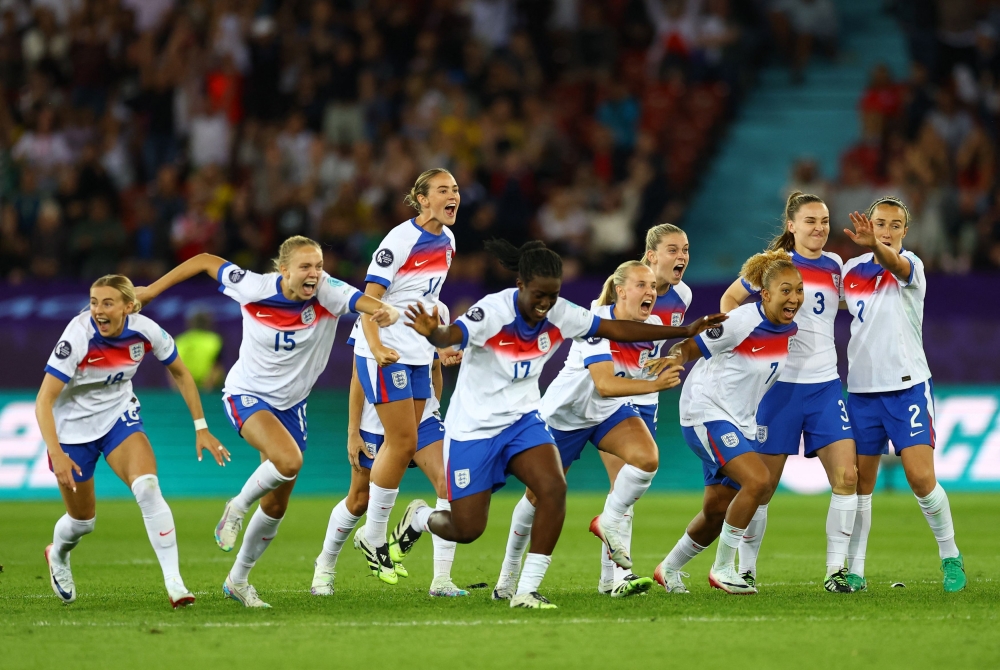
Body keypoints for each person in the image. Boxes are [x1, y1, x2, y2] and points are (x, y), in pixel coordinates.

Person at [386, 239, 724, 609]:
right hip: (480, 426)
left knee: (554, 488)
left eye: (553, 295)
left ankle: (527, 590)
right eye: (539, 295)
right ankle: (420, 518)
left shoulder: (564, 312)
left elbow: (619, 330)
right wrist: (434, 334)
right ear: (520, 287)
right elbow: (453, 336)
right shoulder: (492, 310)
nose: (546, 304)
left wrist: (686, 331)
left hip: (527, 420)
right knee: (468, 528)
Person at [135, 236, 398, 608]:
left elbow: (363, 302)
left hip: (293, 408)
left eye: (319, 266)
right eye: (305, 267)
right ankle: (237, 507)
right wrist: (152, 290)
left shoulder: (328, 293)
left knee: (276, 506)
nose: (315, 274)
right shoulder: (254, 287)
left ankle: (238, 580)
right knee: (289, 461)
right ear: (284, 270)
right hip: (247, 395)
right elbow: (206, 260)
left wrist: (384, 310)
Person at [492, 261, 681, 600]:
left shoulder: (652, 325)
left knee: (646, 458)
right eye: (642, 285)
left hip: (607, 413)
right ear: (621, 290)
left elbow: (623, 380)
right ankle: (507, 578)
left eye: (653, 286)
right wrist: (653, 383)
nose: (651, 292)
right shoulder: (594, 321)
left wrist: (664, 362)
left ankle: (611, 543)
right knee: (535, 499)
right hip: (565, 416)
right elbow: (605, 383)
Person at [37, 275, 229, 608]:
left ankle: (175, 583)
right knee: (83, 522)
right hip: (71, 432)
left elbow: (181, 373)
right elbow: (43, 400)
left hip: (118, 419)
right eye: (94, 302)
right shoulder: (77, 337)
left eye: (107, 303)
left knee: (148, 488)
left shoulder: (145, 331)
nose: (97, 310)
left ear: (128, 307)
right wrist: (56, 452)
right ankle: (58, 553)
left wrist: (201, 426)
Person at [719, 192, 858, 593]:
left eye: (825, 221)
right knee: (762, 486)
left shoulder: (835, 266)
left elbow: (847, 306)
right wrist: (742, 340)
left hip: (825, 386)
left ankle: (836, 572)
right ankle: (745, 569)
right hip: (777, 388)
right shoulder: (773, 267)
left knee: (847, 476)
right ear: (792, 226)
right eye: (810, 220)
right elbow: (731, 298)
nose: (819, 228)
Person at [652, 249, 801, 595]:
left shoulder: (788, 327)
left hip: (738, 421)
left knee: (717, 511)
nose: (794, 298)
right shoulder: (743, 321)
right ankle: (723, 569)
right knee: (759, 480)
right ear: (765, 294)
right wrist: (674, 357)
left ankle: (668, 569)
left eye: (798, 290)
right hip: (706, 411)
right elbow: (691, 346)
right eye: (785, 290)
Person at [841, 197, 966, 592]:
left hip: (907, 387)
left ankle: (951, 558)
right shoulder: (851, 271)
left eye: (895, 225)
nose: (887, 230)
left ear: (905, 232)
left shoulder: (911, 266)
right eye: (881, 223)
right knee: (861, 483)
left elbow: (895, 263)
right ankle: (855, 570)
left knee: (920, 477)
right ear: (871, 224)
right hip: (861, 391)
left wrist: (875, 246)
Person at [311, 302, 468, 597]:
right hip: (377, 420)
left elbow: (434, 368)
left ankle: (442, 580)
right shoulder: (374, 309)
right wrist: (352, 430)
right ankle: (325, 566)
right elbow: (360, 374)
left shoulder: (439, 311)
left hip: (422, 417)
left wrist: (434, 412)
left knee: (449, 485)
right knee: (359, 500)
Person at [351, 168, 459, 585]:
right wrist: (376, 346)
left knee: (410, 441)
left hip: (415, 351)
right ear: (422, 199)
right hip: (384, 351)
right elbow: (368, 301)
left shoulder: (448, 242)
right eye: (443, 190)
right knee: (402, 442)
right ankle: (374, 536)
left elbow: (426, 300)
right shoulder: (398, 241)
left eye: (455, 190)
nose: (453, 196)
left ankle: (386, 539)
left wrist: (440, 343)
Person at [592, 222, 695, 592]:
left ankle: (609, 580)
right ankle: (620, 576)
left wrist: (672, 357)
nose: (681, 256)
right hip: (613, 398)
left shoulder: (682, 297)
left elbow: (665, 344)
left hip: (647, 401)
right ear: (651, 256)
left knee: (625, 492)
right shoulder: (612, 299)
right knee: (621, 489)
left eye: (684, 249)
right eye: (672, 249)